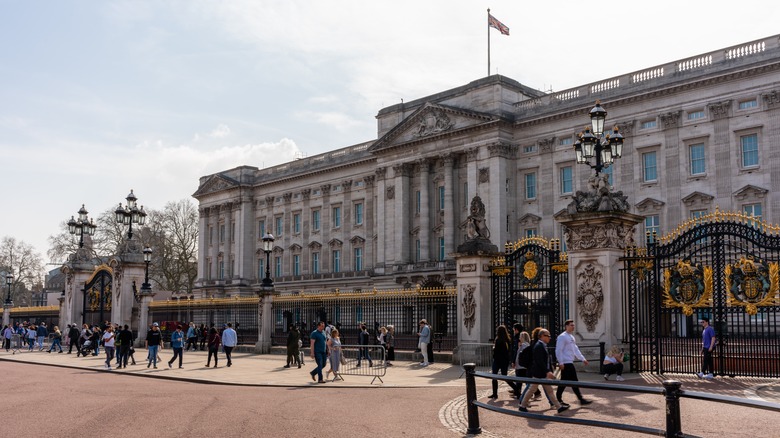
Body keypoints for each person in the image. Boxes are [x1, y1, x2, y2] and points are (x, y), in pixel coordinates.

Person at [519, 329, 569, 414]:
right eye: (548, 336)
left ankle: (558, 407)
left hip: (541, 373)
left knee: (548, 390)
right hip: (539, 373)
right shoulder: (539, 346)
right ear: (542, 336)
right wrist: (547, 371)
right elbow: (540, 361)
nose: (550, 338)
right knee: (532, 390)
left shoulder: (541, 345)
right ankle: (522, 405)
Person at [555, 319, 592, 406]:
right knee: (570, 381)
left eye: (573, 325)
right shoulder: (562, 337)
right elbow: (558, 350)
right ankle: (579, 399)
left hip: (569, 362)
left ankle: (559, 398)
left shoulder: (571, 337)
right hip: (566, 362)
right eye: (571, 325)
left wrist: (582, 359)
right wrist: (560, 362)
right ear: (566, 326)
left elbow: (575, 349)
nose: (573, 326)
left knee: (567, 381)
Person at [488, 325, 515, 399]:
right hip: (504, 361)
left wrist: (493, 349)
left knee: (494, 377)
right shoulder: (507, 340)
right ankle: (515, 388)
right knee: (505, 377)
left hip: (497, 360)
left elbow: (496, 351)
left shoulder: (498, 340)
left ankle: (495, 394)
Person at [513, 331, 532, 397]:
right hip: (522, 366)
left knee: (519, 381)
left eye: (520, 336)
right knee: (524, 381)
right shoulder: (526, 344)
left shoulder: (523, 345)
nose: (519, 338)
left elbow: (520, 355)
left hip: (521, 366)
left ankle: (519, 394)